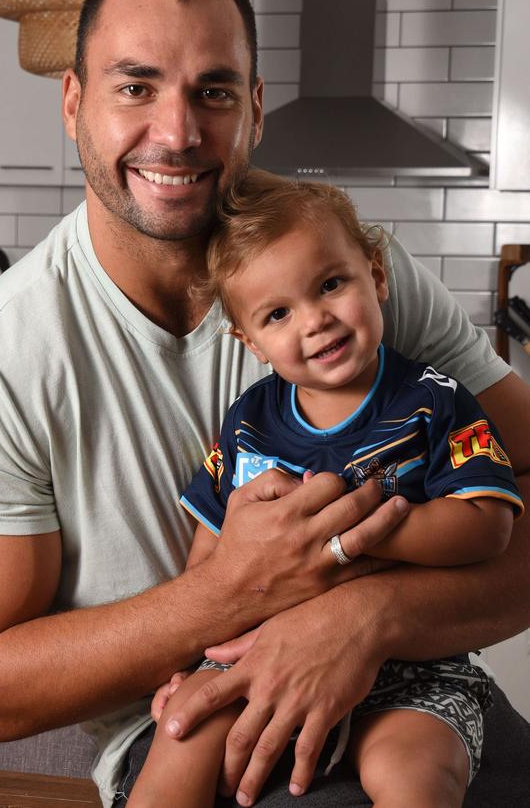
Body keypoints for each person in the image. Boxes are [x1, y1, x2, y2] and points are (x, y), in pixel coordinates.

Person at [0, 0, 530, 808]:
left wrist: (362, 616)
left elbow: (516, 494)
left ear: (256, 109)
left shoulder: (350, 275)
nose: (177, 132)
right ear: (74, 102)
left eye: (214, 91)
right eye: (135, 86)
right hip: (193, 736)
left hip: (418, 690)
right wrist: (233, 591)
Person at [126, 171, 522, 808]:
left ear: (377, 274)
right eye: (278, 314)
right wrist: (199, 663)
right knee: (180, 731)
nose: (315, 321)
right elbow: (210, 559)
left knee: (416, 772)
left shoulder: (434, 401)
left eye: (331, 285)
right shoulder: (249, 421)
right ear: (248, 341)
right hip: (258, 655)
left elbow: (487, 524)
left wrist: (354, 537)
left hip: (411, 664)